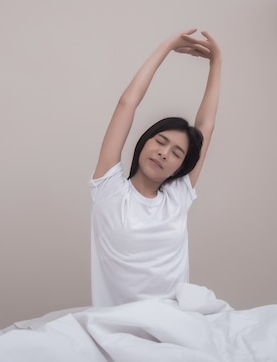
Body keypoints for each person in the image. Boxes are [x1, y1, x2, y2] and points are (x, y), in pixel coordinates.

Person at [89, 29, 221, 307]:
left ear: (180, 168)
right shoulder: (109, 190)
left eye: (176, 153)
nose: (163, 152)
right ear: (144, 142)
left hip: (174, 319)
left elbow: (205, 126)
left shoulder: (177, 197)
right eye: (161, 141)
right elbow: (128, 103)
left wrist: (217, 62)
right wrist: (168, 45)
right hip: (120, 324)